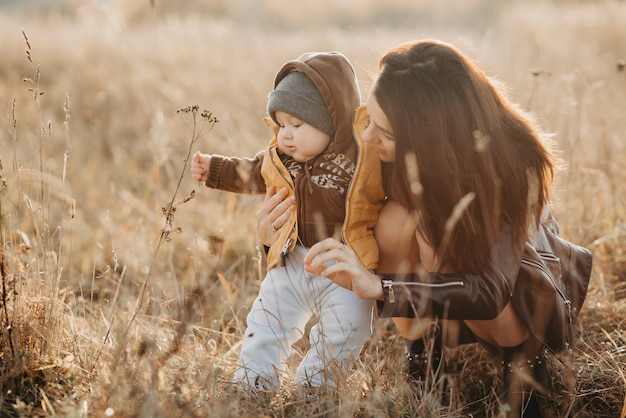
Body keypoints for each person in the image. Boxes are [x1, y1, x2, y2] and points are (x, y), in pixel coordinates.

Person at [258, 40, 591, 417]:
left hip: (519, 296)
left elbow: (491, 289)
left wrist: (379, 286)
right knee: (393, 222)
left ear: (427, 136)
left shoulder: (510, 166)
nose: (367, 138)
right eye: (371, 119)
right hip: (445, 281)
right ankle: (424, 355)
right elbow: (331, 210)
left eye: (384, 131)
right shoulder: (382, 149)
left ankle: (527, 374)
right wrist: (274, 240)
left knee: (442, 241)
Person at [191, 51, 385, 390]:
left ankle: (316, 387)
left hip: (342, 266)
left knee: (347, 328)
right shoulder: (281, 160)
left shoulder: (360, 156)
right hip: (291, 262)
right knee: (266, 321)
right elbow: (250, 172)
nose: (286, 136)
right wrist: (214, 170)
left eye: (297, 125)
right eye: (281, 125)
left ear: (332, 120)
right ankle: (254, 382)